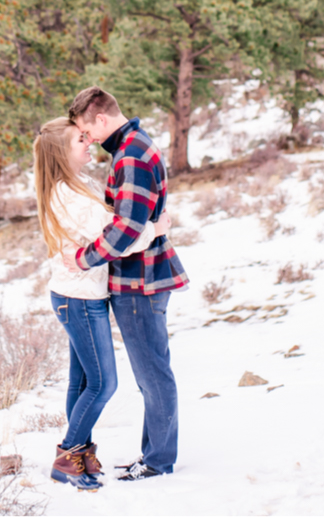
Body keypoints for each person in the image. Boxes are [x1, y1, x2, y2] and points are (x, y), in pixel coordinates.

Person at [33, 117, 168, 491]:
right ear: (63, 153)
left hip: (79, 295)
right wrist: (156, 228)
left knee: (82, 383)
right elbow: (117, 235)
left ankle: (82, 452)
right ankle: (68, 455)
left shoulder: (78, 184)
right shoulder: (70, 195)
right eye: (81, 139)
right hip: (79, 299)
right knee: (104, 383)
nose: (89, 141)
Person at [66, 86, 188, 481]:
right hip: (144, 277)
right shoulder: (134, 145)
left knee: (152, 374)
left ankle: (158, 461)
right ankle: (156, 456)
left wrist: (84, 259)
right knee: (153, 371)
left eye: (88, 130)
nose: (89, 140)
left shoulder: (132, 153)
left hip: (140, 281)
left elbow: (128, 227)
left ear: (101, 118)